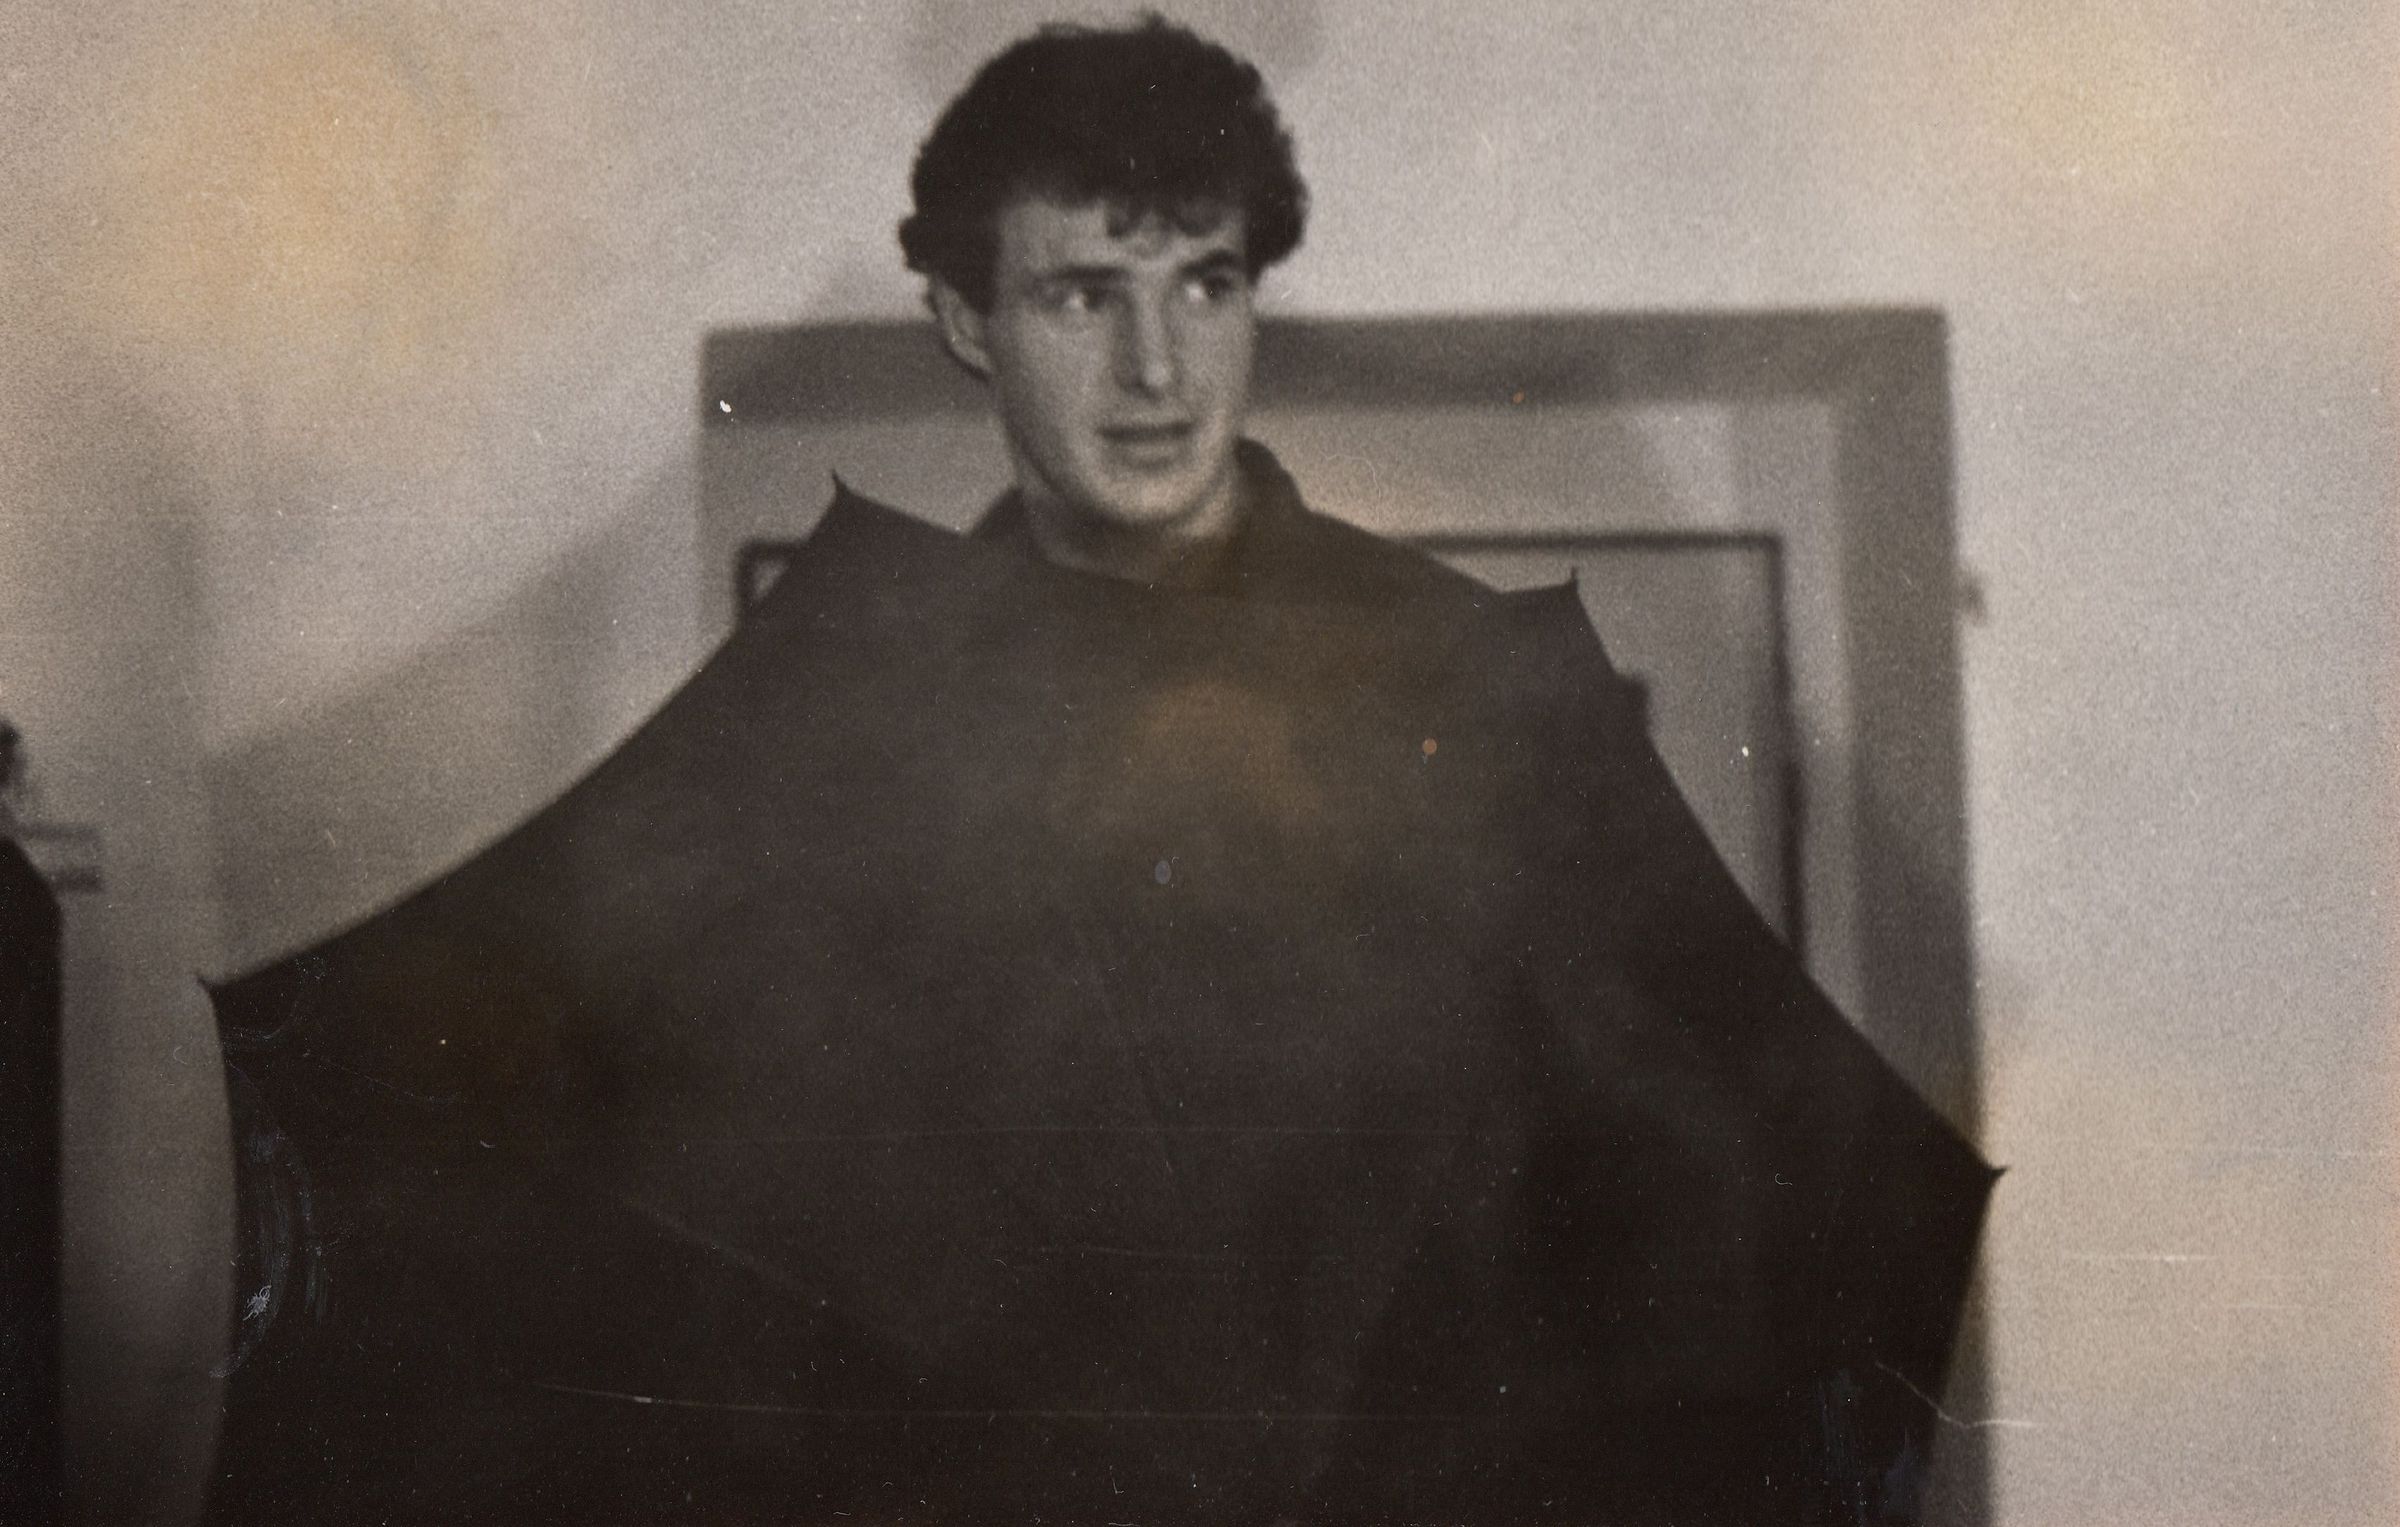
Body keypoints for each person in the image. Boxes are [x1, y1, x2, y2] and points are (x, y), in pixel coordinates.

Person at [207, 19, 1992, 1526]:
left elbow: (1715, 1218)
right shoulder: (846, 729)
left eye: (1206, 285)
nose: (1157, 369)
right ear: (963, 317)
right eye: (1083, 293)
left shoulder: (1471, 688)